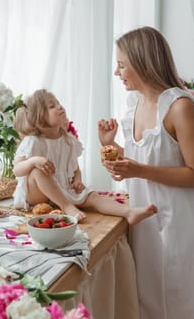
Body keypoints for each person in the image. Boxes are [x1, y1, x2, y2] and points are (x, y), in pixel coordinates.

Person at [98, 26, 194, 319]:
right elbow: (140, 161)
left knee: (181, 301)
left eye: (122, 64)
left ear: (142, 61)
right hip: (145, 223)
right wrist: (113, 150)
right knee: (149, 303)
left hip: (180, 224)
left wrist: (138, 169)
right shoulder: (133, 106)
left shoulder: (179, 107)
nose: (116, 72)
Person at [12, 89, 157, 224]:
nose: (59, 107)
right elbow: (17, 170)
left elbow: (75, 168)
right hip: (37, 196)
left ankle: (128, 212)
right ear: (38, 118)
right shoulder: (33, 141)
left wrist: (77, 181)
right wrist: (33, 161)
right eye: (52, 106)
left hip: (61, 190)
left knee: (93, 196)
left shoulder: (68, 140)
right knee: (37, 171)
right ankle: (67, 206)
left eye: (58, 103)